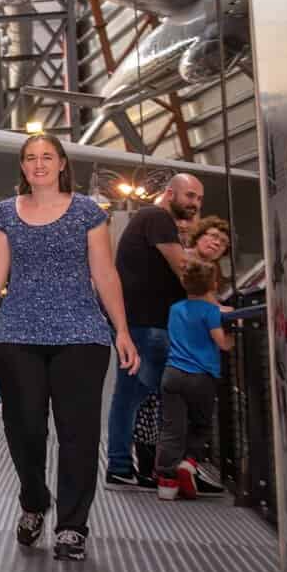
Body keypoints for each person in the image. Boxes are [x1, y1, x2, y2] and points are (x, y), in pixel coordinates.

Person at [0, 135, 140, 561]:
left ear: (62, 164)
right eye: (30, 158)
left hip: (80, 335)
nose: (38, 164)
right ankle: (33, 501)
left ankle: (72, 526)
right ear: (22, 167)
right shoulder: (7, 212)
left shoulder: (86, 212)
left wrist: (123, 330)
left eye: (46, 157)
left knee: (77, 433)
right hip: (17, 334)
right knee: (24, 429)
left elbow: (105, 274)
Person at [105, 174, 204, 488]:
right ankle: (127, 464)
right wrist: (213, 304)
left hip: (146, 324)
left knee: (137, 394)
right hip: (147, 325)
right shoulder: (157, 217)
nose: (194, 204)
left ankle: (129, 465)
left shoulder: (155, 220)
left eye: (199, 200)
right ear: (170, 193)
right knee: (140, 395)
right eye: (190, 196)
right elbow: (186, 272)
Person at [157, 260, 232, 500]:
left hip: (172, 374)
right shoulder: (210, 312)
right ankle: (188, 463)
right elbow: (221, 342)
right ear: (214, 284)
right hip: (201, 377)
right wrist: (232, 336)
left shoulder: (175, 308)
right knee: (201, 425)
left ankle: (166, 482)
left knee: (172, 428)